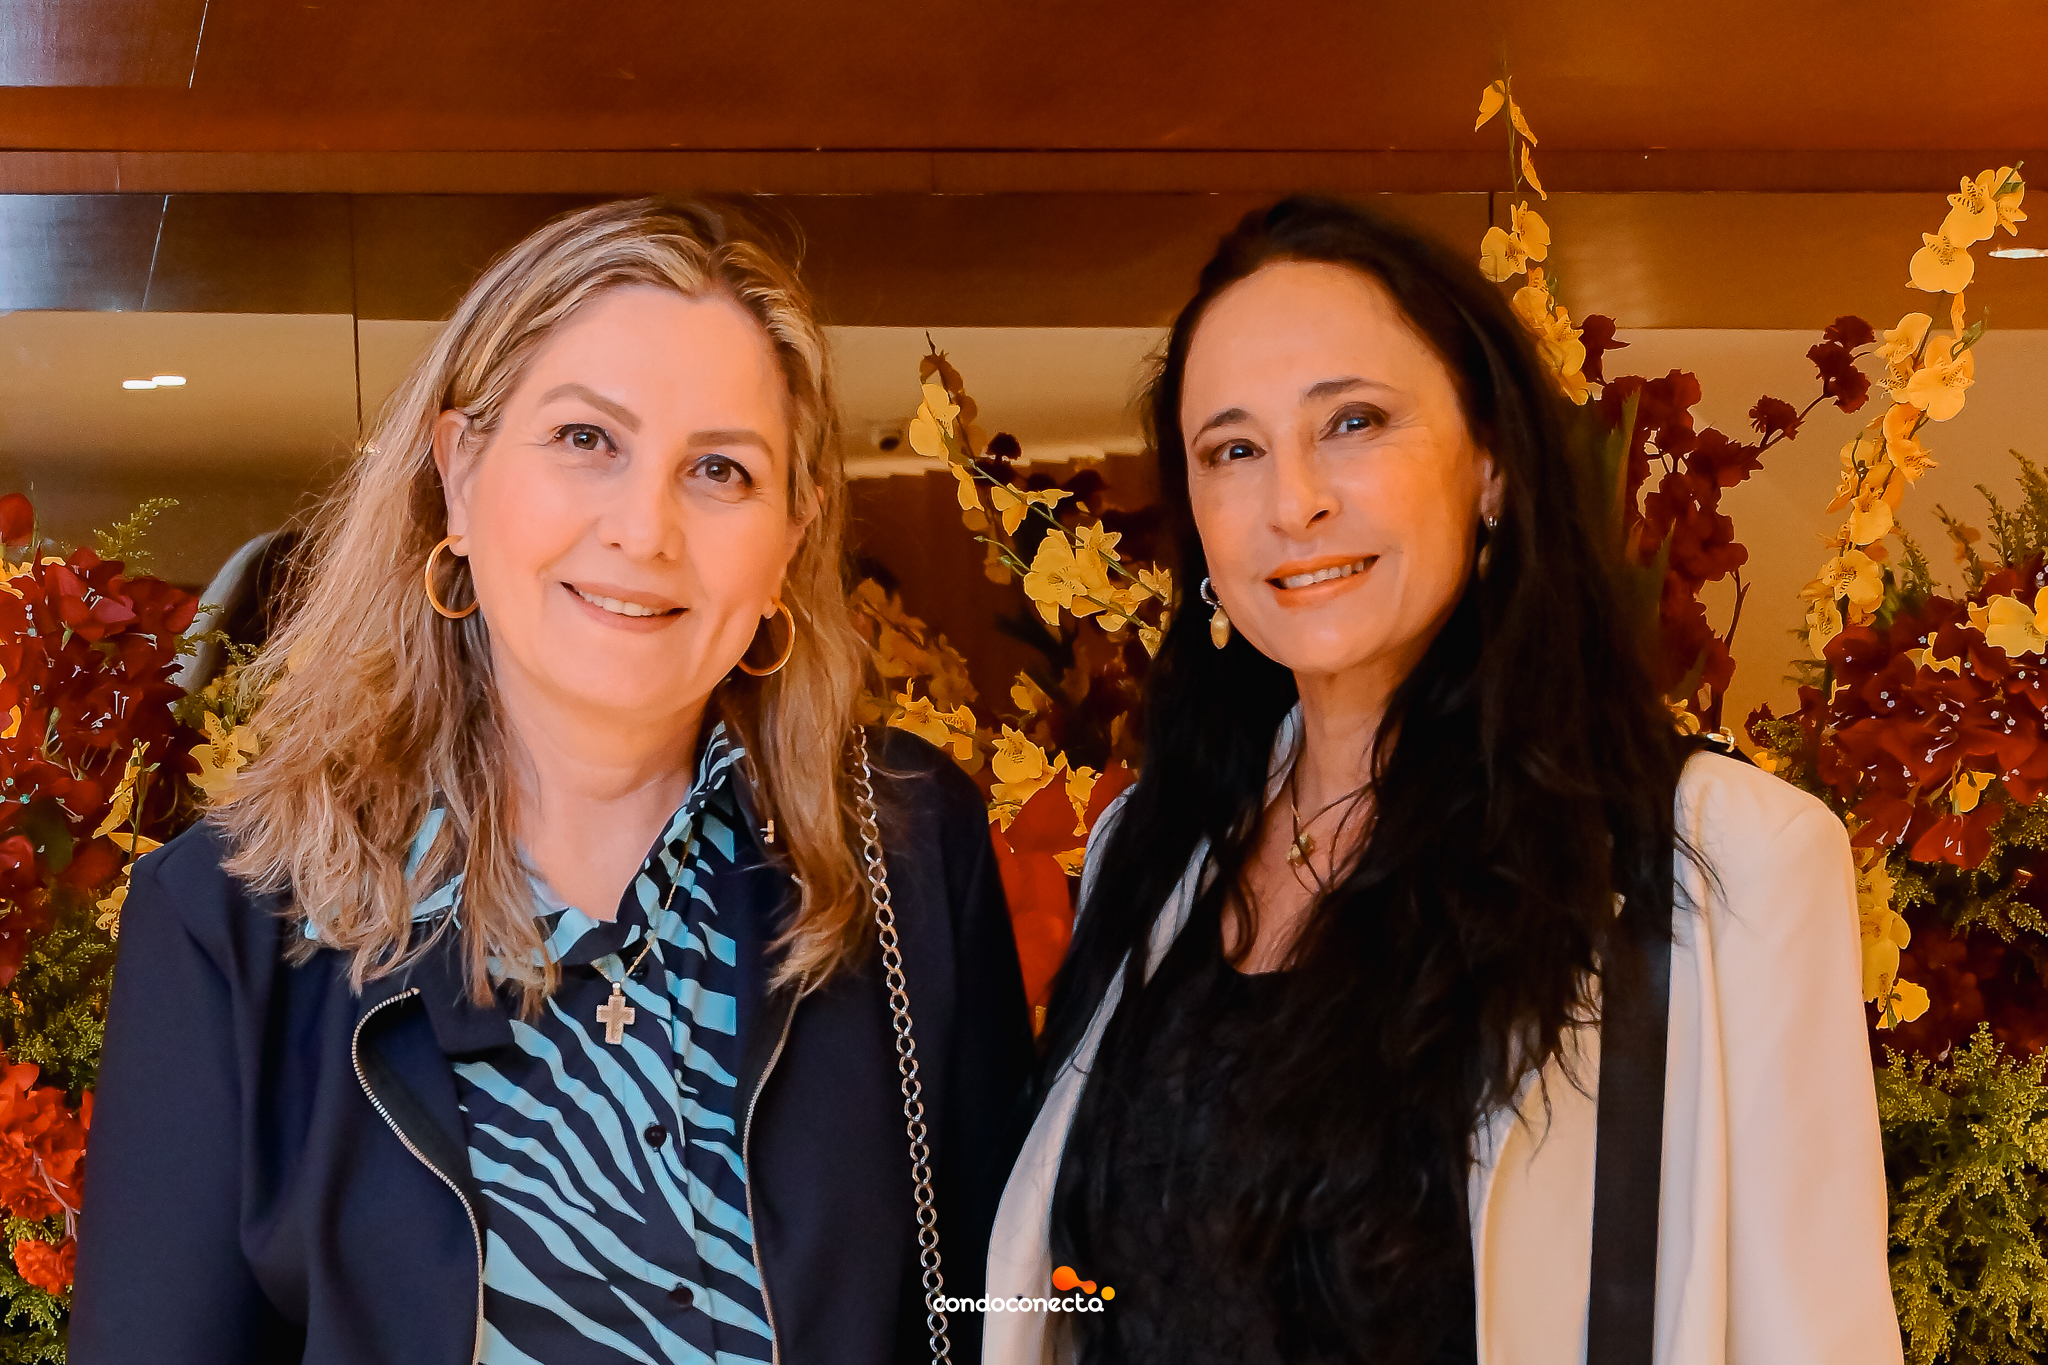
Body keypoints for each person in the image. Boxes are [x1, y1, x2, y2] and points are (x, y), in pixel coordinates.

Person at [74, 198, 1033, 1365]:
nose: (644, 528)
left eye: (720, 469)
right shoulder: (227, 918)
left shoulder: (904, 847)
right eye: (586, 439)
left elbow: (1008, 1309)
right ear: (458, 473)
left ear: (792, 532)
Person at [985, 197, 1902, 1365]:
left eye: (1352, 422)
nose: (1291, 501)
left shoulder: (1719, 857)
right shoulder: (1148, 851)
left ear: (1491, 466)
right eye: (1232, 450)